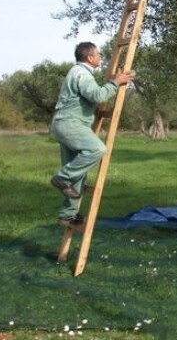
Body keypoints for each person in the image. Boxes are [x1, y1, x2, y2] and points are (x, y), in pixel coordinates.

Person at [49, 42, 134, 228]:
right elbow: (97, 96)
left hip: (64, 124)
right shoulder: (82, 74)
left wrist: (116, 79)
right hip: (70, 124)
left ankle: (67, 215)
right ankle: (62, 178)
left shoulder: (78, 73)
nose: (100, 58)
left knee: (78, 175)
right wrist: (115, 83)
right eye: (98, 55)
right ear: (89, 58)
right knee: (97, 149)